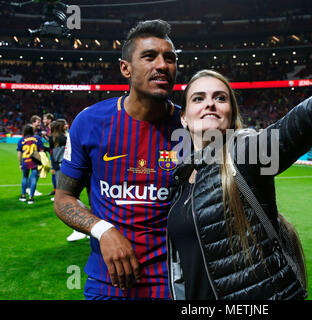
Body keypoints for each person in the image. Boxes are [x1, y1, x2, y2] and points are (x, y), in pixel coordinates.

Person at [166, 57, 312, 300]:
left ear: (231, 112)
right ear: (184, 117)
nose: (210, 104)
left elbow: (288, 133)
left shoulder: (242, 152)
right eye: (198, 98)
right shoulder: (180, 180)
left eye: (220, 98)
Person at [54, 19, 181, 300]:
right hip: (108, 282)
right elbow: (63, 198)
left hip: (176, 282)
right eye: (149, 56)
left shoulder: (190, 127)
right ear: (125, 68)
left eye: (169, 58)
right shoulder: (89, 122)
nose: (162, 65)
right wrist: (102, 230)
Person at [17, 124, 44, 204]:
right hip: (35, 161)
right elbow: (41, 150)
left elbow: (19, 154)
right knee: (34, 179)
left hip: (25, 161)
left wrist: (20, 164)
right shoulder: (37, 138)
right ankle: (31, 198)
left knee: (24, 177)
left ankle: (23, 196)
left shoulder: (21, 140)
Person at [43, 113, 57, 196]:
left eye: (44, 119)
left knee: (56, 172)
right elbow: (50, 141)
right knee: (53, 172)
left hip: (56, 153)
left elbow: (55, 140)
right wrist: (45, 136)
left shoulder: (53, 127)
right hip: (52, 152)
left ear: (49, 120)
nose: (43, 121)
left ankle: (58, 191)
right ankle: (55, 189)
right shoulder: (49, 128)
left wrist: (47, 135)